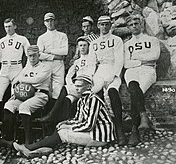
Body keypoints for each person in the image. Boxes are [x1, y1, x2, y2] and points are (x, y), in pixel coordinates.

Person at [13, 74, 115, 158]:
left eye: (79, 86)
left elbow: (89, 125)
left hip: (100, 137)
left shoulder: (93, 99)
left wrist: (68, 127)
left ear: (88, 87)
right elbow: (78, 120)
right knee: (61, 127)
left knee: (63, 133)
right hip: (92, 132)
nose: (77, 89)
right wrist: (65, 123)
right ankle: (40, 149)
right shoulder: (81, 100)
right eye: (76, 86)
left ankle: (30, 147)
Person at [37, 37, 96, 126]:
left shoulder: (92, 60)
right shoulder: (76, 62)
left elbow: (91, 74)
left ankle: (51, 114)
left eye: (85, 45)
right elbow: (69, 75)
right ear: (78, 48)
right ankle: (63, 124)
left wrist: (79, 84)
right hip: (76, 88)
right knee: (67, 100)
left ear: (88, 47)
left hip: (86, 87)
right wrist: (71, 85)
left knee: (64, 88)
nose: (83, 48)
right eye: (80, 46)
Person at [124, 14, 160, 146]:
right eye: (131, 25)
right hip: (132, 70)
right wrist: (143, 59)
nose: (134, 26)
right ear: (128, 27)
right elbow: (126, 64)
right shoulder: (127, 44)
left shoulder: (152, 40)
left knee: (137, 91)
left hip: (148, 70)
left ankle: (134, 130)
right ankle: (143, 117)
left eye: (136, 23)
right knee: (133, 86)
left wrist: (136, 59)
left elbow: (155, 56)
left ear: (141, 24)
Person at [89, 15, 126, 145]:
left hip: (113, 69)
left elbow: (119, 59)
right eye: (102, 24)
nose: (104, 27)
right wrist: (91, 77)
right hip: (100, 70)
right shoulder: (94, 43)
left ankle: (119, 128)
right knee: (96, 92)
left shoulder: (117, 40)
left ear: (110, 25)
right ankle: (104, 129)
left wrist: (113, 75)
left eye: (106, 24)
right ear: (98, 26)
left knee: (112, 91)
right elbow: (91, 62)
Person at [2, 45, 51, 144]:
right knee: (9, 105)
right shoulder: (27, 67)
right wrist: (14, 94)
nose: (32, 58)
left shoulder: (45, 67)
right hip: (24, 95)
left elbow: (37, 80)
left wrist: (22, 79)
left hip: (40, 95)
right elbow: (15, 82)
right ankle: (9, 138)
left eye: (34, 55)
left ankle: (29, 140)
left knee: (24, 107)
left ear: (39, 55)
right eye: (30, 56)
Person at [0, 18, 30, 111]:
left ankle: (14, 121)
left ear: (15, 26)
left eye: (9, 26)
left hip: (17, 68)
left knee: (15, 94)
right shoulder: (1, 40)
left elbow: (29, 55)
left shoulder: (22, 39)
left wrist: (25, 69)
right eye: (5, 27)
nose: (8, 29)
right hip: (4, 68)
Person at [37, 12, 68, 106]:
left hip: (58, 65)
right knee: (45, 88)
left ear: (55, 21)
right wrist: (54, 56)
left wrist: (49, 51)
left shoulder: (62, 35)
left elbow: (64, 51)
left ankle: (54, 116)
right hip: (46, 64)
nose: (49, 23)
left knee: (57, 89)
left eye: (51, 20)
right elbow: (40, 55)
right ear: (44, 23)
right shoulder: (41, 38)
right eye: (47, 21)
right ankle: (45, 114)